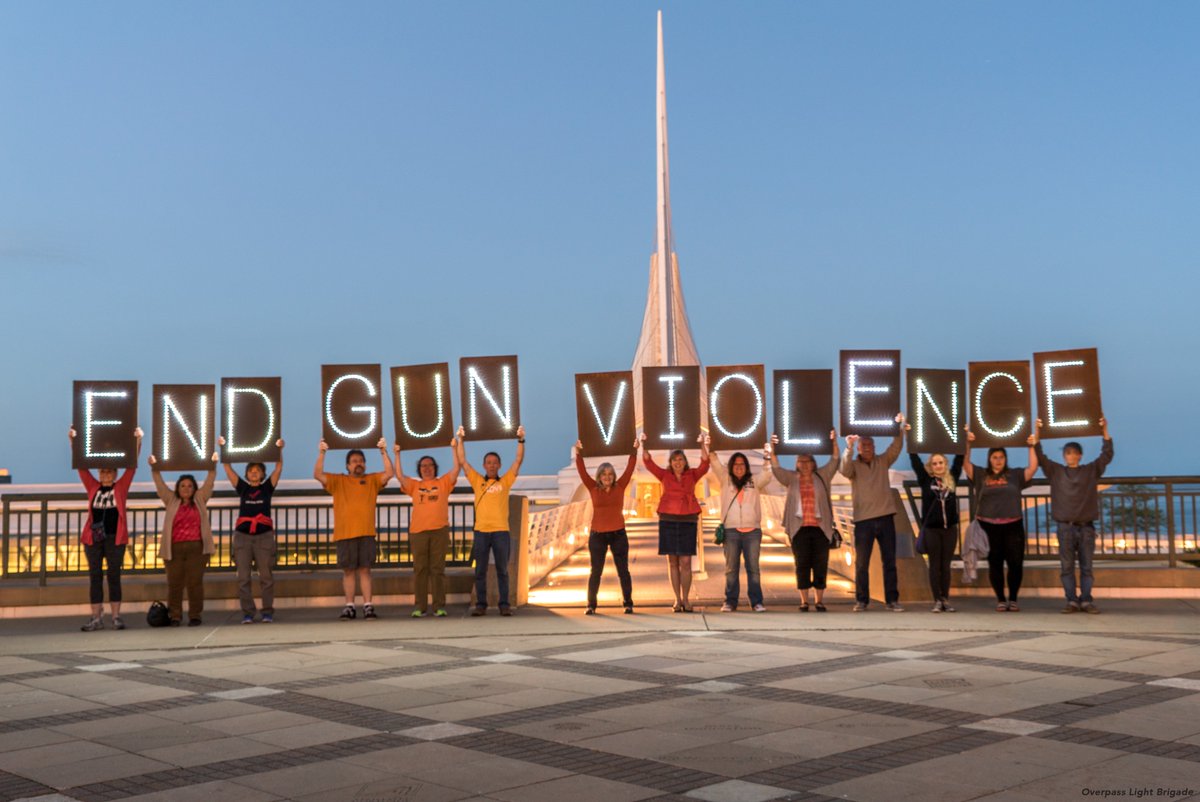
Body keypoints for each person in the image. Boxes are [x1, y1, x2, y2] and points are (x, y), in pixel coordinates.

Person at [1035, 416, 1113, 614]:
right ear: (1064, 456)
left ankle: (1086, 600)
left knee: (1087, 568)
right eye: (1067, 453)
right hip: (1065, 526)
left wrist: (1105, 429)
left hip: (1086, 527)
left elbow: (1107, 454)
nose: (1070, 456)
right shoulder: (1055, 472)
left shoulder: (1090, 470)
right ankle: (1071, 601)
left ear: (1080, 455)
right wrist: (1038, 431)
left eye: (1073, 453)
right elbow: (1040, 455)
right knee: (1067, 568)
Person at [70, 425, 142, 632]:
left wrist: (138, 441)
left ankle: (116, 617)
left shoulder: (121, 488)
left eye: (110, 471)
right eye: (103, 471)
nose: (106, 474)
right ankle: (95, 617)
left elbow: (132, 467)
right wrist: (73, 441)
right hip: (93, 538)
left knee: (113, 575)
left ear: (115, 473)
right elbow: (82, 468)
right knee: (95, 576)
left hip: (114, 538)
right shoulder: (93, 487)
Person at [314, 438, 394, 620]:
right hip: (345, 533)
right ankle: (349, 606)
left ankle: (368, 605)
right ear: (348, 466)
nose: (358, 464)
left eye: (361, 461)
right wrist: (322, 452)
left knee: (365, 570)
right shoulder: (338, 481)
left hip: (366, 532)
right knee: (348, 571)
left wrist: (383, 451)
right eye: (354, 461)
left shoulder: (372, 480)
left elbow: (390, 473)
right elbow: (318, 474)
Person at [964, 427, 1039, 612]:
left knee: (1015, 564)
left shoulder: (1015, 475)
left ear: (1006, 459)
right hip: (988, 527)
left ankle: (1013, 599)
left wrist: (1031, 447)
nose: (998, 461)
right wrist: (968, 443)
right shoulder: (981, 474)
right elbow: (965, 463)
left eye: (1001, 457)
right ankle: (1000, 599)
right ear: (989, 459)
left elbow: (1033, 468)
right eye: (994, 457)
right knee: (995, 564)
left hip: (1013, 526)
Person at [840, 415, 907, 612]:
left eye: (870, 445)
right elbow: (843, 469)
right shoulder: (853, 467)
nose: (867, 448)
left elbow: (896, 447)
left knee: (890, 562)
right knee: (862, 564)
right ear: (859, 449)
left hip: (885, 517)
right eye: (863, 446)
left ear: (875, 447)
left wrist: (900, 427)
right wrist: (849, 447)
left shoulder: (883, 461)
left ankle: (892, 600)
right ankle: (862, 600)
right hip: (863, 521)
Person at [456, 425, 525, 616]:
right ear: (484, 465)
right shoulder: (478, 481)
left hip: (501, 531)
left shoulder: (506, 481)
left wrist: (520, 440)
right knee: (480, 571)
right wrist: (461, 439)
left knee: (503, 570)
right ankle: (481, 604)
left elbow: (518, 460)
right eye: (488, 462)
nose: (492, 465)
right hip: (481, 531)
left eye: (495, 462)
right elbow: (462, 461)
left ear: (499, 465)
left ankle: (504, 604)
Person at [769, 430, 839, 612]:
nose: (805, 465)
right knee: (802, 564)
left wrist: (834, 442)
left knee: (820, 564)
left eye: (808, 461)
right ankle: (804, 601)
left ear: (814, 463)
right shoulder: (791, 478)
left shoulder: (823, 476)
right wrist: (773, 449)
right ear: (797, 464)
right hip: (799, 529)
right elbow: (776, 469)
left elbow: (835, 461)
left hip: (820, 528)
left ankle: (819, 601)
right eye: (801, 461)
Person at [218, 437, 285, 624]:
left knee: (266, 577)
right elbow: (228, 469)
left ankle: (267, 612)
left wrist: (279, 449)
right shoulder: (243, 488)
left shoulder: (267, 489)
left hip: (264, 537)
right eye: (251, 470)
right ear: (247, 474)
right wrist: (223, 447)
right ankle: (247, 613)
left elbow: (278, 468)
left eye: (258, 470)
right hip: (243, 538)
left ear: (263, 474)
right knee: (243, 578)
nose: (254, 473)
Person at [641, 432, 709, 613]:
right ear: (670, 463)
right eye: (674, 460)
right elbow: (648, 462)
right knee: (672, 561)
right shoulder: (664, 475)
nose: (678, 462)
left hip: (688, 519)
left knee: (686, 562)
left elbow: (705, 464)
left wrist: (702, 444)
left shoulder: (692, 475)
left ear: (685, 462)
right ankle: (677, 599)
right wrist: (644, 443)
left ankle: (686, 599)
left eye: (680, 459)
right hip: (668, 519)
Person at [395, 438, 462, 618]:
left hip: (440, 530)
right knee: (420, 570)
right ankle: (420, 607)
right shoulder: (415, 486)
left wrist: (453, 448)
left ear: (435, 467)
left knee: (438, 570)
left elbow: (457, 469)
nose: (427, 468)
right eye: (423, 466)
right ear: (419, 469)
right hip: (418, 532)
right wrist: (397, 454)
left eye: (430, 465)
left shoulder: (443, 483)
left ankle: (439, 606)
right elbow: (399, 476)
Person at [151, 452, 218, 627]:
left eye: (189, 485)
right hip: (173, 548)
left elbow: (210, 482)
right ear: (177, 488)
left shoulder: (200, 499)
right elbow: (159, 485)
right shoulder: (171, 500)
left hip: (197, 548)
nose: (186, 488)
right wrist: (154, 467)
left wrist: (213, 465)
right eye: (182, 485)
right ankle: (175, 616)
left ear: (194, 488)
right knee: (174, 584)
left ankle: (195, 615)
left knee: (195, 583)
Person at [573, 437, 638, 615]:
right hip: (597, 536)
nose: (607, 477)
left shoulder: (621, 486)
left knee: (623, 571)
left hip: (618, 534)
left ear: (613, 476)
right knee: (596, 572)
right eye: (604, 474)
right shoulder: (592, 487)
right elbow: (582, 472)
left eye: (610, 474)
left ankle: (628, 603)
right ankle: (591, 605)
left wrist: (634, 449)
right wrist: (578, 452)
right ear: (599, 477)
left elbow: (630, 467)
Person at [709, 441, 773, 612]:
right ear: (731, 467)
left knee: (753, 569)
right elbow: (714, 461)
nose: (739, 467)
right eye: (735, 464)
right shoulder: (725, 479)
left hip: (752, 531)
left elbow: (767, 475)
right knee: (731, 569)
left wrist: (767, 456)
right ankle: (730, 601)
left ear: (746, 466)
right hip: (731, 531)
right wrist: (709, 446)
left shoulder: (754, 481)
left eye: (742, 464)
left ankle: (757, 602)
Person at [910, 450, 964, 612]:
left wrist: (965, 442)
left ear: (945, 465)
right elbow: (915, 462)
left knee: (945, 565)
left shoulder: (952, 479)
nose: (938, 466)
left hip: (950, 530)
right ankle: (937, 600)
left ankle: (945, 599)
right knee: (934, 565)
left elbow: (959, 460)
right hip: (932, 530)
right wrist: (908, 438)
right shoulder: (925, 480)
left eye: (941, 463)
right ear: (931, 467)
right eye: (935, 463)